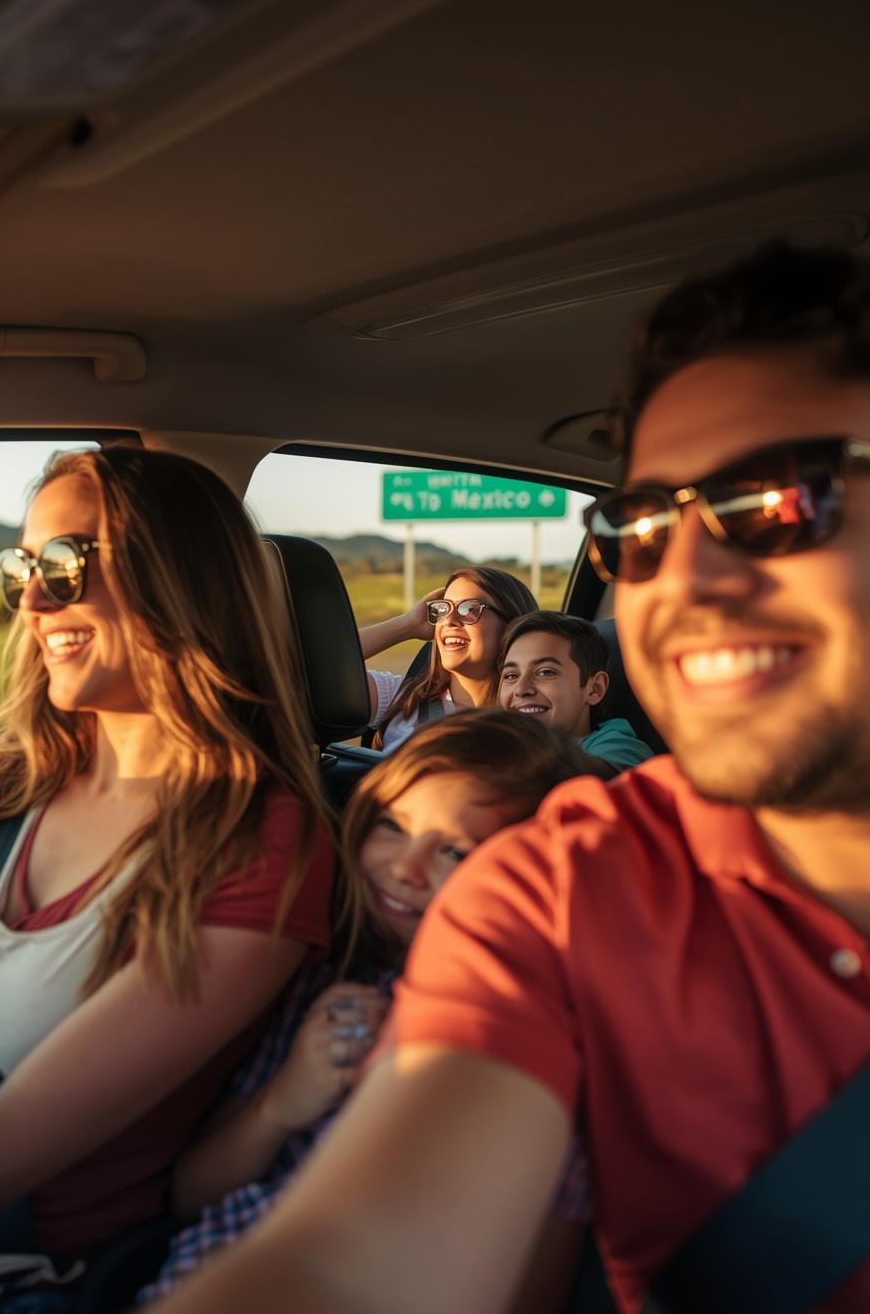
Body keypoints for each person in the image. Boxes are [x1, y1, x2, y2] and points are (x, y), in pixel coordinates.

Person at [152, 240, 870, 1314]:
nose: (682, 579)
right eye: (639, 527)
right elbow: (357, 1261)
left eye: (772, 501)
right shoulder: (560, 887)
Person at [0, 446, 335, 1311]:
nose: (31, 601)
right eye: (20, 568)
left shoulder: (258, 846)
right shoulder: (16, 771)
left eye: (65, 564)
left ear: (181, 578)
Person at [138, 710, 596, 1308]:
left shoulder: (533, 1065)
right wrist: (280, 1105)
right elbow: (191, 1196)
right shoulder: (331, 989)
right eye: (391, 825)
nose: (405, 868)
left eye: (454, 852)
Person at [358, 567, 538, 751]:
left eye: (468, 608)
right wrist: (408, 625)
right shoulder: (401, 698)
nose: (448, 620)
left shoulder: (530, 715)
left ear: (511, 627)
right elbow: (336, 666)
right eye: (443, 609)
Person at [495, 611, 654, 771]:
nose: (521, 689)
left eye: (546, 672)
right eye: (511, 676)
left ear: (594, 689)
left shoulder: (618, 751)